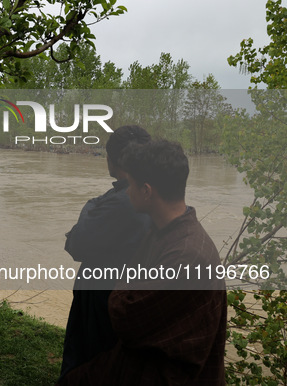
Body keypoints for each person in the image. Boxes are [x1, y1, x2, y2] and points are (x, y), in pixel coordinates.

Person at [59, 140, 227, 385]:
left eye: (131, 185)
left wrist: (123, 285)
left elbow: (123, 316)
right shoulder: (165, 232)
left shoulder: (184, 256)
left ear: (146, 191)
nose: (126, 192)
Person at [59, 125, 151, 381]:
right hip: (127, 298)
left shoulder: (119, 202)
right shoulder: (152, 194)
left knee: (85, 366)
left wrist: (91, 204)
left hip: (102, 302)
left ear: (113, 159)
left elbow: (76, 244)